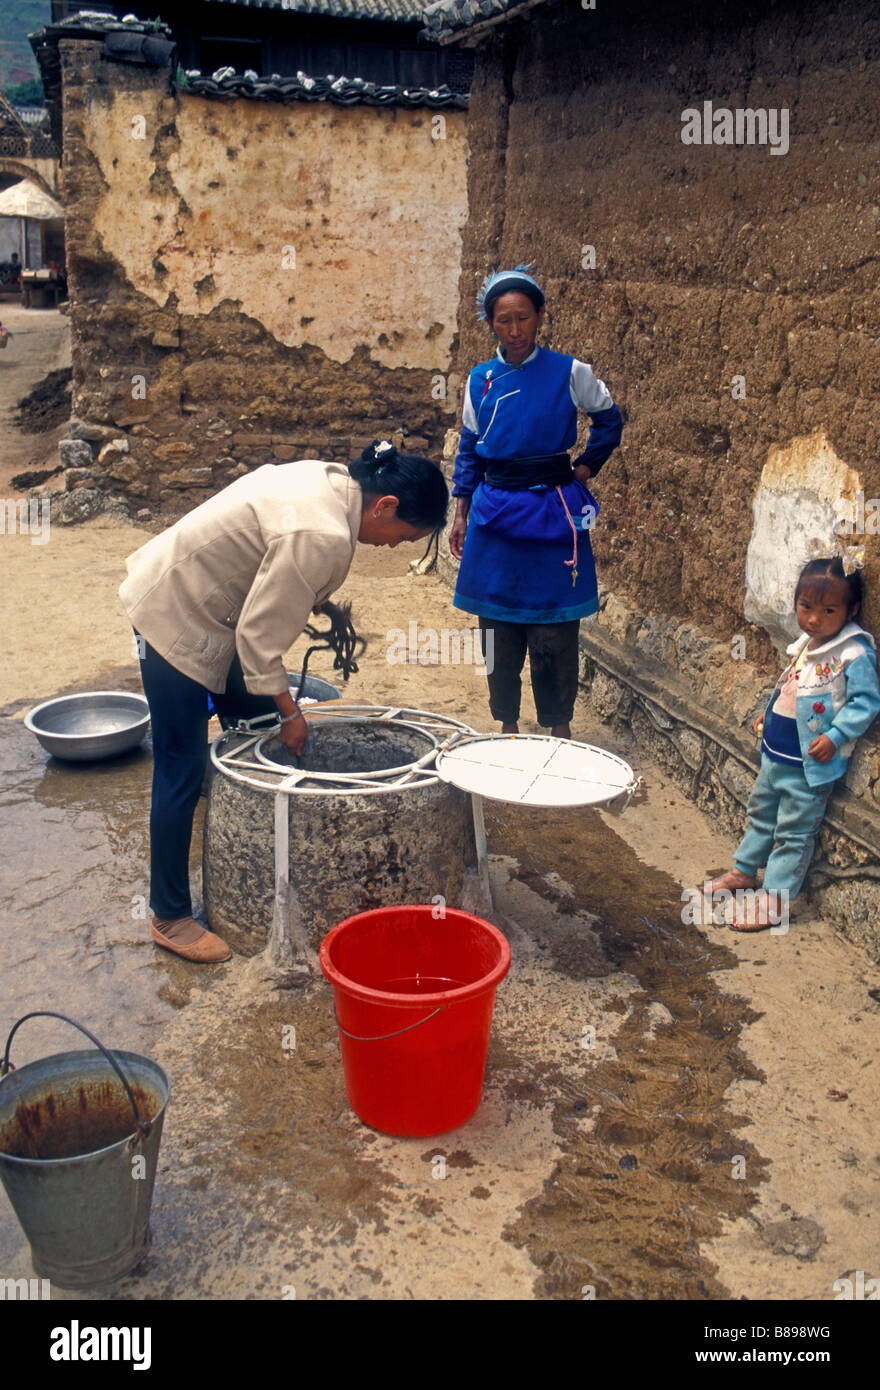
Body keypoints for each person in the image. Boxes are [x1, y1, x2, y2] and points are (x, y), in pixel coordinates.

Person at [119, 442, 447, 962]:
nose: (393, 547)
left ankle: (238, 824)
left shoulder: (333, 482)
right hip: (176, 610)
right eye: (403, 536)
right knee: (179, 765)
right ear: (384, 506)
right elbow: (256, 639)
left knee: (251, 721)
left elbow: (271, 557)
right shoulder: (323, 533)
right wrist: (292, 714)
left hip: (212, 602)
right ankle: (169, 916)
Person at [449, 265, 623, 737]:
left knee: (555, 628)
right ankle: (507, 723)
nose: (514, 330)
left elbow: (610, 419)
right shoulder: (480, 380)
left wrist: (587, 466)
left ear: (540, 317)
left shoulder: (570, 372)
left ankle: (557, 726)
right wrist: (461, 511)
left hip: (553, 512)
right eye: (503, 321)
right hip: (494, 514)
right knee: (497, 627)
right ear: (490, 325)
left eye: (523, 318)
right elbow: (469, 450)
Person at [704, 553, 880, 930]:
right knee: (761, 814)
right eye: (806, 607)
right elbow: (793, 686)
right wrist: (768, 714)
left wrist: (836, 735)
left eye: (829, 610)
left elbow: (866, 702)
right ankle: (744, 870)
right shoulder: (807, 642)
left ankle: (775, 902)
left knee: (793, 832)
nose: (814, 618)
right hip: (776, 753)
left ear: (852, 610)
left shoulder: (854, 652)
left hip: (809, 766)